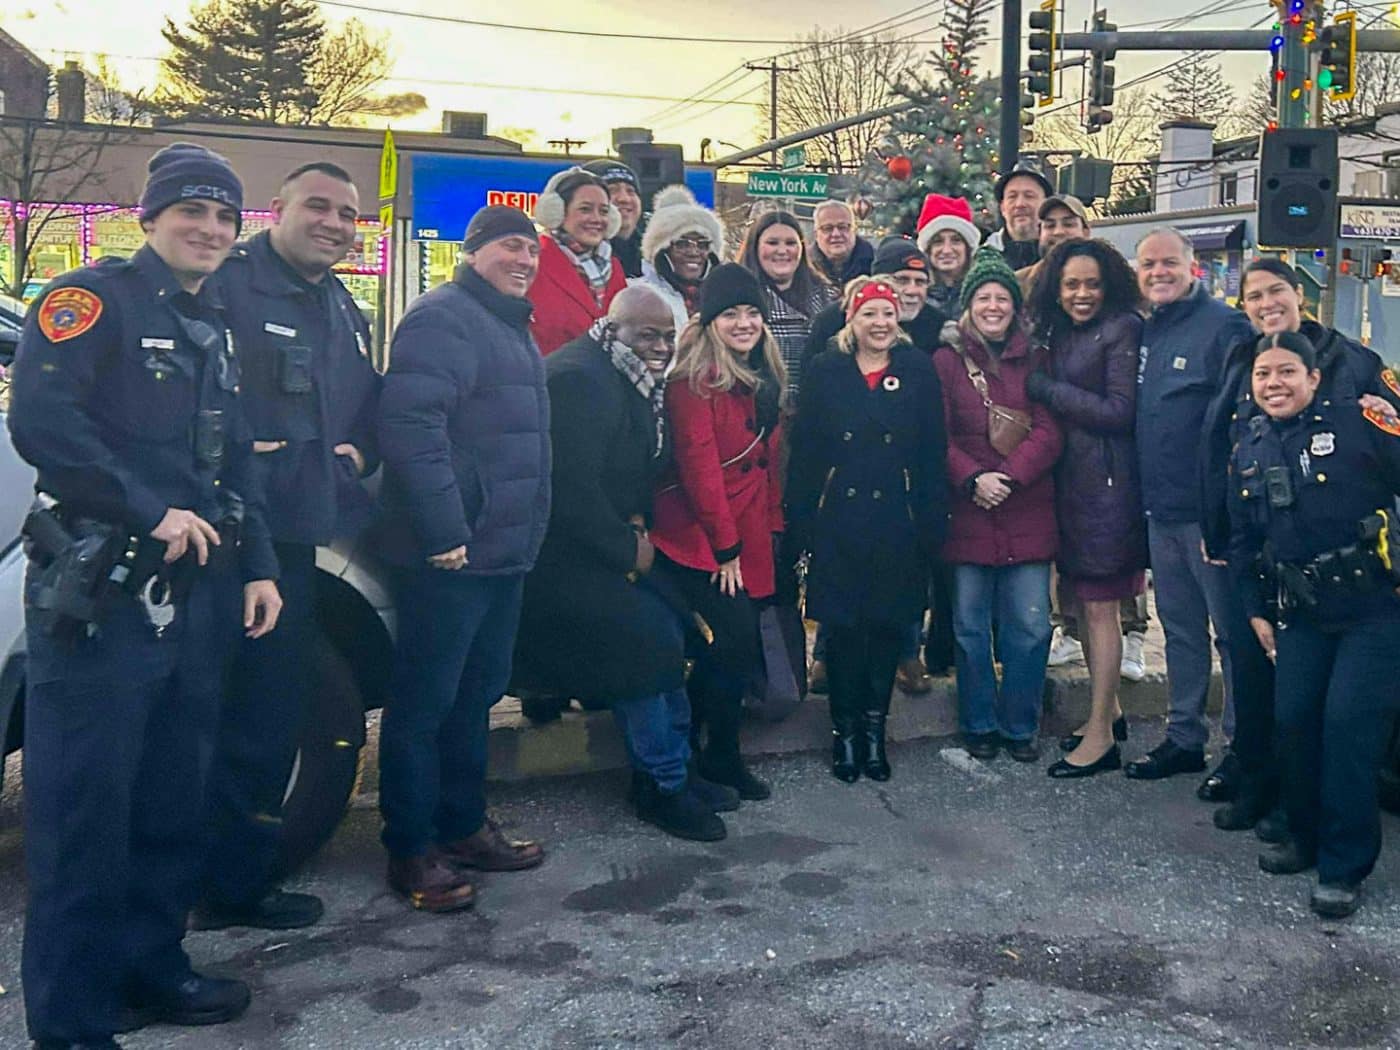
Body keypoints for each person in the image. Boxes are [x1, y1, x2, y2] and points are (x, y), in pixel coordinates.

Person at [8, 142, 282, 1048]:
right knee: (85, 815)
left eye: (224, 218)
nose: (208, 230)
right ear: (150, 218)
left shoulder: (216, 323)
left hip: (197, 595)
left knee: (173, 798)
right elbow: (44, 422)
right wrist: (148, 508)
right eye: (191, 213)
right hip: (103, 598)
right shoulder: (90, 302)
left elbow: (235, 459)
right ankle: (73, 1020)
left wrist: (262, 566)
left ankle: (153, 968)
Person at [196, 161, 381, 933]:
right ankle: (194, 887)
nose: (335, 223)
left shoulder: (340, 304)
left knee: (271, 715)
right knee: (211, 717)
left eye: (348, 213)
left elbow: (368, 406)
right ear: (277, 209)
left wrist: (359, 458)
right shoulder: (226, 286)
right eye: (319, 206)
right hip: (222, 537)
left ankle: (238, 885)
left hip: (298, 537)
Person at [513, 286, 737, 841]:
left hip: (611, 541)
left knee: (673, 630)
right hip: (563, 558)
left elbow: (629, 471)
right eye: (648, 334)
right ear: (614, 328)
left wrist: (636, 526)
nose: (660, 346)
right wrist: (629, 548)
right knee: (646, 639)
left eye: (668, 335)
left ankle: (675, 768)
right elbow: (570, 489)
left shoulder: (627, 376)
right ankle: (660, 785)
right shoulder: (580, 380)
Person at [376, 205, 550, 913]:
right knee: (425, 702)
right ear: (473, 251)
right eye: (511, 246)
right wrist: (445, 529)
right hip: (452, 553)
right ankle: (412, 847)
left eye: (532, 250)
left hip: (501, 551)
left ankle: (463, 824)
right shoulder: (442, 318)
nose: (525, 260)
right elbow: (411, 425)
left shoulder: (509, 325)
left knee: (475, 695)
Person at [1200, 257, 1400, 832]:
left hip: (1354, 573)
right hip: (1267, 556)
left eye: (1277, 291)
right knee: (1271, 694)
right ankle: (1272, 794)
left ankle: (1323, 823)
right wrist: (1220, 535)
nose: (1267, 303)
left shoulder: (1355, 361)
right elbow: (1220, 449)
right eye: (1254, 296)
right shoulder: (1242, 361)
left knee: (1339, 715)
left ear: (1300, 295)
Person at [1227, 329, 1400, 918]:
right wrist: (1253, 607)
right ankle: (1303, 836)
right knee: (1294, 721)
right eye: (1263, 375)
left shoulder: (1365, 422)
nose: (1274, 384)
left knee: (1349, 726)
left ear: (1313, 379)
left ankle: (1344, 865)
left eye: (1286, 373)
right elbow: (1244, 540)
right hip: (1300, 609)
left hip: (1374, 609)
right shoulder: (1248, 445)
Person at [787, 278, 948, 782]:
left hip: (896, 516)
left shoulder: (917, 370)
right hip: (840, 515)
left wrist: (931, 522)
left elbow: (931, 453)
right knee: (843, 630)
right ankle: (844, 732)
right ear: (851, 321)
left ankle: (875, 734)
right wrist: (800, 520)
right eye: (868, 314)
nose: (880, 323)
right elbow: (807, 452)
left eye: (887, 313)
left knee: (884, 629)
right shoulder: (825, 371)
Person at [650, 263, 786, 802]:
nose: (745, 322)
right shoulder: (691, 382)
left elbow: (771, 462)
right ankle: (704, 755)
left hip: (750, 531)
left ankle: (720, 754)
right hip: (703, 538)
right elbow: (700, 468)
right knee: (728, 645)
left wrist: (774, 529)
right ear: (710, 322)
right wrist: (726, 549)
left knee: (737, 648)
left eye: (752, 312)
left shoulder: (764, 376)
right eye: (731, 313)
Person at [1131, 227, 1256, 793]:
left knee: (1232, 636)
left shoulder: (1225, 328)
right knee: (1180, 631)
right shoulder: (1149, 331)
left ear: (1192, 267)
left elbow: (1241, 422)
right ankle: (1184, 738)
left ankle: (1241, 746)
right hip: (1161, 512)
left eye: (1168, 264)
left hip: (1210, 519)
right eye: (1148, 264)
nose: (1158, 272)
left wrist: (1226, 513)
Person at [1024, 240, 1147, 779]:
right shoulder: (1064, 329)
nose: (1080, 293)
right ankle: (1110, 711)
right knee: (1081, 602)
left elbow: (1120, 411)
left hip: (1108, 487)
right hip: (1073, 485)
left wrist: (1048, 389)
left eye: (1091, 283)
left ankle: (1100, 734)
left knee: (1100, 608)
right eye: (1071, 283)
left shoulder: (1122, 328)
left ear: (1110, 285)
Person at [934, 248, 1063, 762]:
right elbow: (936, 436)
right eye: (983, 297)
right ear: (969, 305)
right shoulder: (945, 362)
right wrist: (972, 478)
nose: (993, 306)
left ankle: (1019, 724)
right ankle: (979, 722)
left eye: (1002, 298)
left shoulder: (1037, 359)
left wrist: (1008, 476)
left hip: (1027, 507)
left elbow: (1051, 429)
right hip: (968, 512)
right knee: (969, 627)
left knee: (1030, 626)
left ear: (1015, 306)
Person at [737, 209, 836, 401]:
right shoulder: (738, 298)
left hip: (815, 411)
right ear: (755, 247)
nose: (782, 251)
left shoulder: (827, 296)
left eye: (790, 243)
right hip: (759, 410)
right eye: (772, 243)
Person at [528, 167, 628, 354]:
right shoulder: (531, 261)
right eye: (585, 209)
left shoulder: (614, 268)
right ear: (557, 211)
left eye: (604, 211)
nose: (596, 219)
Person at [630, 183, 724, 333]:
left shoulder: (723, 298)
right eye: (682, 244)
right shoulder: (637, 295)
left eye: (702, 245)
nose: (694, 252)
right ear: (661, 249)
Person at [915, 193, 981, 328]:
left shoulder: (981, 291)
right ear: (928, 250)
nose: (946, 250)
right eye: (938, 242)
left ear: (967, 249)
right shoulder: (916, 294)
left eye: (956, 241)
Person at [1016, 193, 1091, 297]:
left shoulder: (1108, 280)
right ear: (1039, 233)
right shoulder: (1017, 284)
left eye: (1068, 224)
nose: (1058, 232)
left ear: (1086, 232)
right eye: (1050, 225)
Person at [583, 157, 645, 278]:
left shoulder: (655, 256)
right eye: (612, 190)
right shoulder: (574, 256)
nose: (624, 199)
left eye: (631, 191)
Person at [984, 163, 1052, 271]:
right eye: (1012, 196)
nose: (1020, 204)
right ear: (1002, 208)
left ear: (1045, 204)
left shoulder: (1060, 256)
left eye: (1029, 196)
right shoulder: (984, 259)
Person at [808, 199, 874, 287]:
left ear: (854, 230)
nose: (836, 234)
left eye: (842, 227)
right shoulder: (803, 266)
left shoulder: (875, 263)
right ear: (816, 234)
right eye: (828, 228)